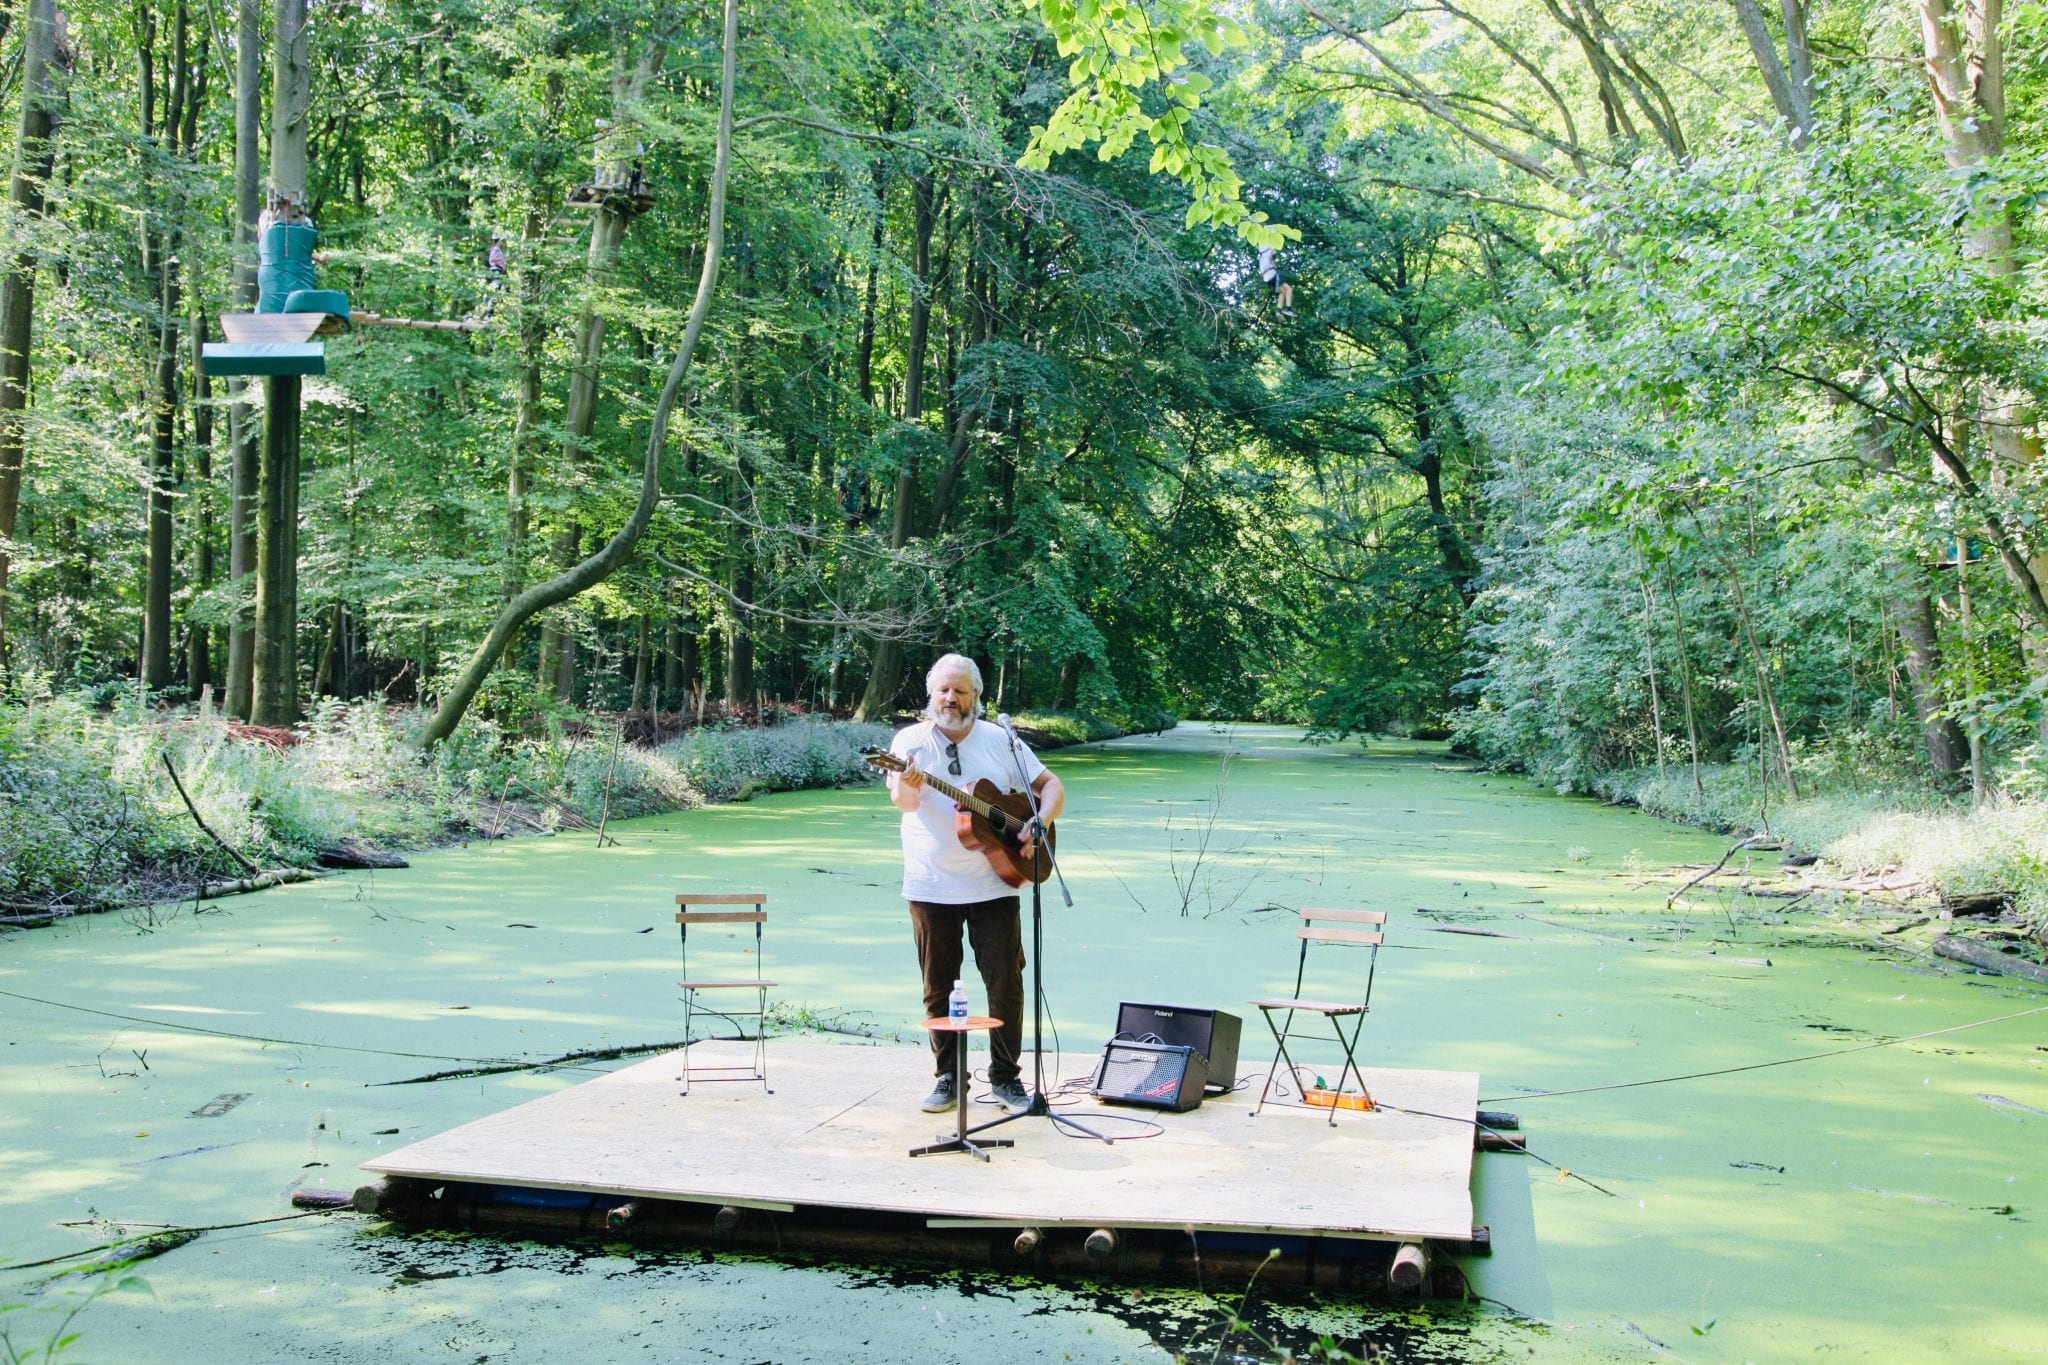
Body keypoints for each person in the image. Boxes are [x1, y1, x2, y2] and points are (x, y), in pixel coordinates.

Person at [885, 653, 1065, 1116]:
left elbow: (1051, 787)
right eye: (943, 689)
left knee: (1005, 982)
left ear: (976, 696)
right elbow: (904, 803)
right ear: (931, 694)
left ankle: (1006, 1079)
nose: (950, 698)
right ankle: (948, 1078)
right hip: (930, 885)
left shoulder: (1001, 740)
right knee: (937, 986)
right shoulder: (910, 741)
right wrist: (907, 781)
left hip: (996, 882)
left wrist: (1037, 823)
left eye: (960, 690)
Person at [1258, 245, 1295, 319]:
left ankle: (1279, 311)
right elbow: (1273, 246)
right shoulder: (1268, 251)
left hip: (1267, 279)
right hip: (1273, 275)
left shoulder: (1262, 257)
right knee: (1289, 289)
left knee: (1283, 293)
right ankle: (1289, 309)